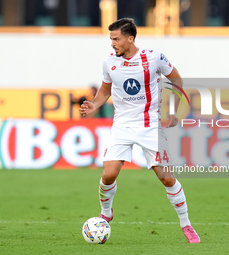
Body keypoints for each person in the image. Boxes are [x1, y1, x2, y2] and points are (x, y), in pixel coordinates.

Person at [80, 18, 200, 243]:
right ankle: (106, 211)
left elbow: (177, 80)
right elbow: (105, 91)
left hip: (150, 126)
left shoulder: (154, 57)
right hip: (122, 125)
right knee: (108, 175)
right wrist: (93, 105)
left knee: (166, 178)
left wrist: (172, 109)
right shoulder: (109, 62)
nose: (112, 43)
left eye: (116, 39)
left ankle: (186, 224)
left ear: (130, 38)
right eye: (111, 39)